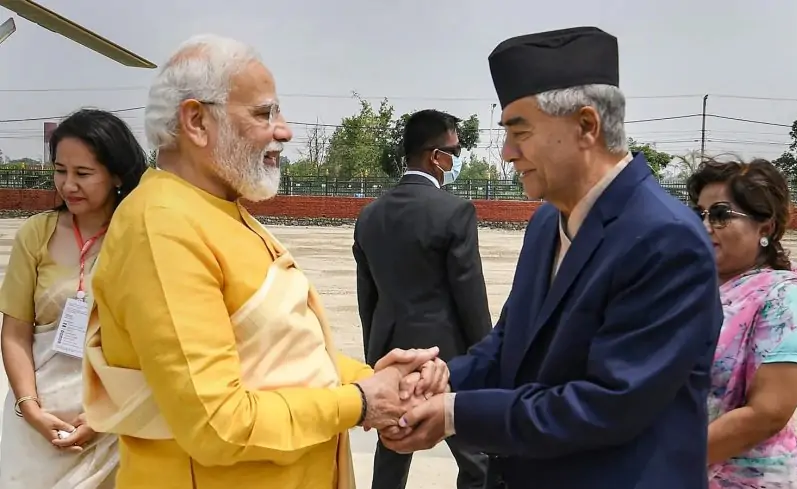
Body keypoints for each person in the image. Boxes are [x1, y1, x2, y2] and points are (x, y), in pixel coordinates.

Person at [80, 35, 446, 489]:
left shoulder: (219, 211)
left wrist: (381, 379)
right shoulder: (162, 228)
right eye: (263, 113)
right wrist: (361, 402)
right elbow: (217, 425)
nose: (285, 130)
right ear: (196, 121)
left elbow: (285, 357)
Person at [378, 27, 724, 489]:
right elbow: (509, 347)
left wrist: (454, 413)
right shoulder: (547, 224)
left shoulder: (665, 240)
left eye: (519, 131)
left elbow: (607, 404)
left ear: (586, 126)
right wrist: (437, 378)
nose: (506, 153)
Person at [0, 108, 148, 488]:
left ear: (117, 174)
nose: (68, 185)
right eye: (60, 170)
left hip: (115, 422)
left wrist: (107, 412)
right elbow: (15, 331)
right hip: (38, 426)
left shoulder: (141, 239)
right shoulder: (36, 234)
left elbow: (154, 341)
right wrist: (30, 409)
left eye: (83, 174)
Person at [354, 109, 490, 489]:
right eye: (454, 151)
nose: (457, 159)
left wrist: (375, 362)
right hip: (445, 359)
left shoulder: (369, 216)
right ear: (435, 156)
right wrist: (485, 359)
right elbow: (470, 297)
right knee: (475, 456)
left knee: (394, 447)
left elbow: (368, 300)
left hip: (391, 354)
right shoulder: (454, 212)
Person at [687, 159, 797, 488]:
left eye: (721, 214)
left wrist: (669, 458)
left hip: (748, 478)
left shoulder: (788, 299)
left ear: (764, 227)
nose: (705, 226)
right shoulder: (694, 288)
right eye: (699, 214)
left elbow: (766, 415)